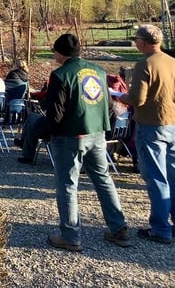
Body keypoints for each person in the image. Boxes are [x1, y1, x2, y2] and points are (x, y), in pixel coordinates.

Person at [41, 34, 130, 251]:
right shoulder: (99, 71)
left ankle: (70, 235)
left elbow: (55, 113)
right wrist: (103, 128)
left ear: (60, 53)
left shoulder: (61, 75)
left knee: (67, 184)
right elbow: (110, 106)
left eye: (55, 51)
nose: (54, 55)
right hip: (97, 133)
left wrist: (50, 133)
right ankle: (118, 228)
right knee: (103, 180)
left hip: (70, 137)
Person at [120, 24, 175, 244]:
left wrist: (120, 97)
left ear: (142, 42)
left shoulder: (145, 64)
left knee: (156, 177)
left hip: (152, 125)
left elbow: (138, 99)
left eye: (136, 41)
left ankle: (161, 229)